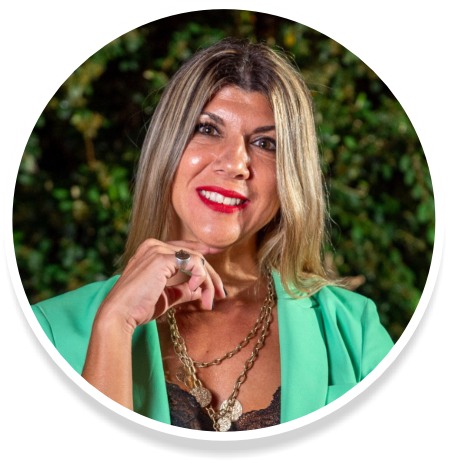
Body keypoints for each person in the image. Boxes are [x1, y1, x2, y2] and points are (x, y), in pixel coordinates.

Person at [31, 39, 393, 432]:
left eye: (266, 143)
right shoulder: (47, 331)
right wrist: (114, 325)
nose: (236, 163)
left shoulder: (355, 331)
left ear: (290, 175)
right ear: (167, 147)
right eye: (207, 129)